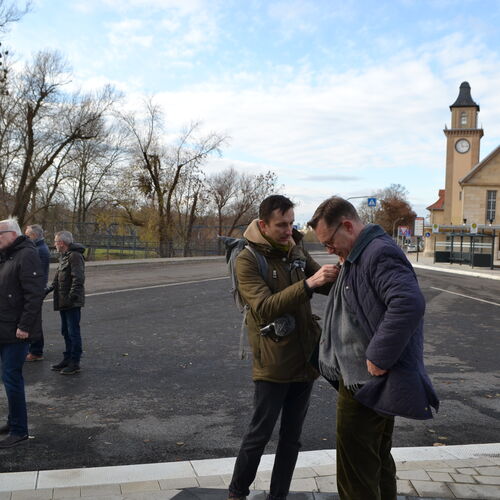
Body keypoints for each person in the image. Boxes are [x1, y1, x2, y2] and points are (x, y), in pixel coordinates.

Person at [308, 196, 439, 500]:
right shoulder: (361, 252)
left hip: (364, 380)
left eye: (330, 242)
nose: (329, 249)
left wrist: (378, 356)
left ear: (348, 225)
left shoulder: (378, 252)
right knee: (375, 460)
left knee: (356, 470)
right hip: (363, 377)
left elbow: (408, 303)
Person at [227, 195, 338, 500]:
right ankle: (237, 492)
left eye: (291, 223)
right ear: (263, 224)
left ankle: (279, 496)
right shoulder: (247, 259)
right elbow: (263, 307)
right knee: (259, 434)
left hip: (305, 361)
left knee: (292, 440)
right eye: (281, 225)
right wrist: (308, 284)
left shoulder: (295, 249)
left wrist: (346, 267)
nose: (289, 230)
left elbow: (325, 282)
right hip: (273, 364)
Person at [0, 218, 44, 448]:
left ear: (12, 234)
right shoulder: (8, 254)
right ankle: (13, 421)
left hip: (17, 332)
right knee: (8, 379)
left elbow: (34, 294)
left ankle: (19, 430)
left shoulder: (26, 254)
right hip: (5, 327)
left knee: (12, 378)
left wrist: (24, 327)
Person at [46, 231, 85, 375]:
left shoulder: (75, 256)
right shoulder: (64, 256)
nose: (54, 244)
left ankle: (75, 362)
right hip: (63, 301)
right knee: (66, 331)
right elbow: (57, 279)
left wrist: (71, 297)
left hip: (71, 302)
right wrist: (46, 290)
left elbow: (78, 278)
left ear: (62, 243)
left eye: (56, 241)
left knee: (73, 332)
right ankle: (67, 358)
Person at [24, 224, 50, 362]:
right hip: (36, 289)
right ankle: (33, 349)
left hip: (36, 290)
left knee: (34, 321)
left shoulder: (38, 250)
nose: (25, 237)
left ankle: (36, 351)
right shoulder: (38, 248)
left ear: (34, 236)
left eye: (27, 235)